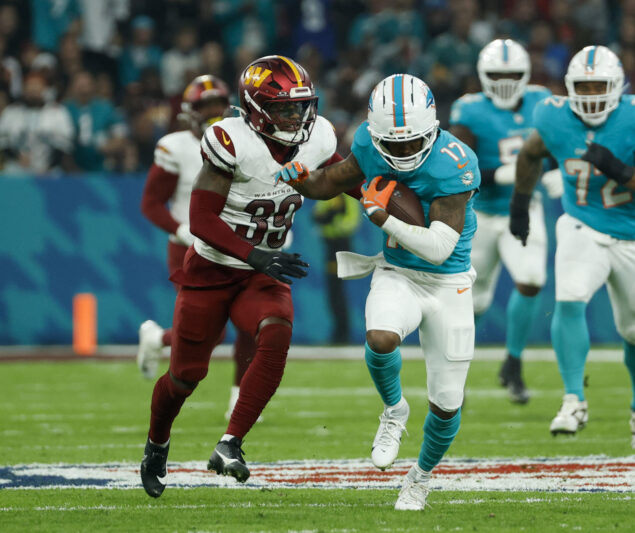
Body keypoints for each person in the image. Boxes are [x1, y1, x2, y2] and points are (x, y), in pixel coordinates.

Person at [276, 74, 481, 511]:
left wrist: (384, 218)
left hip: (449, 282)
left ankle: (420, 479)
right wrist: (302, 180)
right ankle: (394, 410)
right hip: (398, 272)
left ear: (433, 129)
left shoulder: (455, 162)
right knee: (381, 336)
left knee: (447, 403)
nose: (403, 153)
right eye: (394, 144)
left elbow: (440, 249)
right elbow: (331, 182)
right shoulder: (369, 144)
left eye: (412, 143)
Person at [140, 55, 338, 498]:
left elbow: (342, 177)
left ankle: (231, 442)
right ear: (256, 109)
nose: (297, 116)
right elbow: (201, 220)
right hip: (213, 268)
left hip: (262, 272)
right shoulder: (231, 141)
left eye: (301, 105)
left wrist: (382, 197)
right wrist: (255, 255)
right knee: (185, 377)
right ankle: (157, 444)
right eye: (285, 108)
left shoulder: (318, 137)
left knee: (277, 329)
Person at [512, 46, 635, 449]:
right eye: (582, 86)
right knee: (569, 299)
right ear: (569, 87)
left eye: (599, 85)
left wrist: (618, 169)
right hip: (582, 224)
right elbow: (530, 154)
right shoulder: (553, 116)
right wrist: (520, 203)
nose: (590, 94)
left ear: (617, 87)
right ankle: (574, 399)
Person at [138, 74, 260, 422]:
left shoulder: (245, 140)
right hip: (192, 250)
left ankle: (240, 398)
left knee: (251, 324)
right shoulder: (175, 147)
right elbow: (151, 203)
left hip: (238, 246)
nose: (212, 112)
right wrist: (181, 230)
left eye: (217, 105)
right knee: (212, 332)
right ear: (189, 111)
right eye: (205, 106)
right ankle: (159, 339)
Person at [449, 38, 562, 404]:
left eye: (512, 74)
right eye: (497, 75)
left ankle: (513, 362)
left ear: (525, 74)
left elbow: (558, 143)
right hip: (479, 213)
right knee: (474, 300)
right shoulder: (469, 110)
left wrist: (559, 169)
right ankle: (456, 373)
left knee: (531, 279)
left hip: (523, 208)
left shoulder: (541, 102)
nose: (505, 81)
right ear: (484, 75)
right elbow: (457, 164)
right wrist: (498, 175)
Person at [312, 194, 362, 344]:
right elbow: (317, 216)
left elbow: (351, 223)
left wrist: (331, 220)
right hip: (331, 246)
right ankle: (339, 332)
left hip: (340, 245)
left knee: (337, 290)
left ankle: (342, 333)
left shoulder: (348, 197)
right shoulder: (327, 194)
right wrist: (330, 215)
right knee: (334, 291)